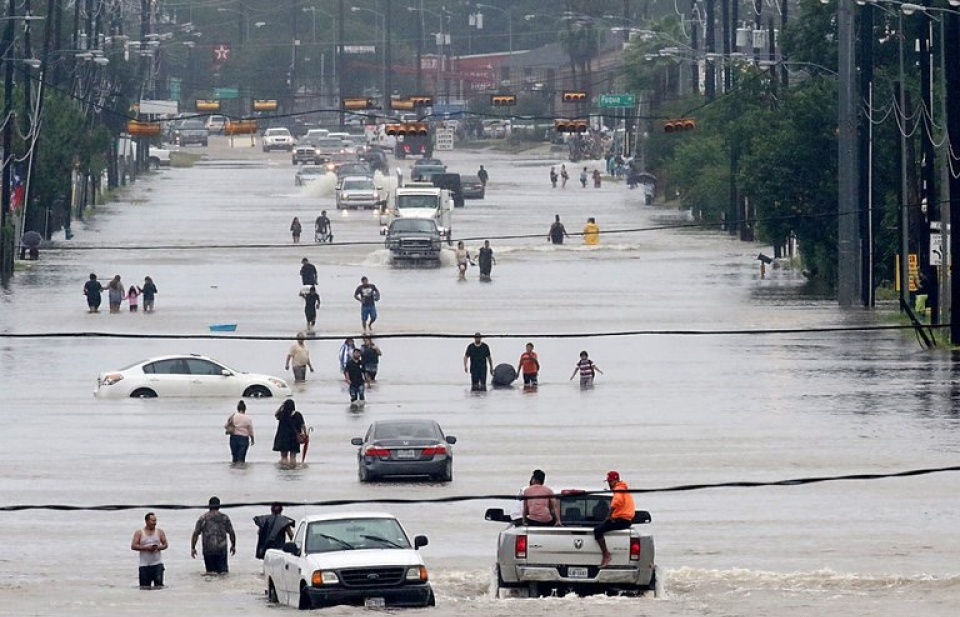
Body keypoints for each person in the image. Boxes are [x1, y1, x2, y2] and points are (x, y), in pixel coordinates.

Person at [594, 471, 635, 567]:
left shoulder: (619, 489)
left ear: (617, 480)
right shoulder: (623, 489)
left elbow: (617, 501)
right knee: (601, 527)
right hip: (622, 519)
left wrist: (608, 516)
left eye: (611, 481)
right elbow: (620, 504)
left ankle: (606, 554)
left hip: (623, 520)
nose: (609, 483)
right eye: (608, 481)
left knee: (597, 530)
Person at [191, 497, 236, 574]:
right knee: (223, 573)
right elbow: (231, 533)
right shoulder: (224, 517)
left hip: (208, 549)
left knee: (211, 573)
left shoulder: (203, 518)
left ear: (209, 505)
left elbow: (196, 534)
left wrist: (193, 548)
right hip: (221, 549)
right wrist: (233, 545)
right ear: (219, 506)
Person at [131, 512, 168, 589]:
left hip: (157, 564)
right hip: (144, 565)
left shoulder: (160, 532)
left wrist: (157, 548)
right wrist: (147, 548)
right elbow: (133, 546)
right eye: (152, 521)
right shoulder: (139, 532)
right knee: (144, 588)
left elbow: (165, 545)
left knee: (159, 588)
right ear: (147, 521)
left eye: (155, 521)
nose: (154, 523)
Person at [272, 399, 306, 467]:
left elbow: (276, 415)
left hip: (282, 437)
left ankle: (285, 469)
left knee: (284, 456)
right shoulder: (298, 414)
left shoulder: (282, 414)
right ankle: (292, 469)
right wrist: (305, 434)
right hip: (294, 437)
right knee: (293, 457)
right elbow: (303, 425)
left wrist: (281, 406)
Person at [225, 400, 254, 465]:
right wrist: (252, 439)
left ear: (237, 408)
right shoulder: (248, 418)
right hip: (244, 438)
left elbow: (226, 426)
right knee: (241, 458)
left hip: (234, 438)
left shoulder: (233, 416)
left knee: (234, 457)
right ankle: (241, 471)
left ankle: (234, 471)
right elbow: (250, 430)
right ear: (245, 409)